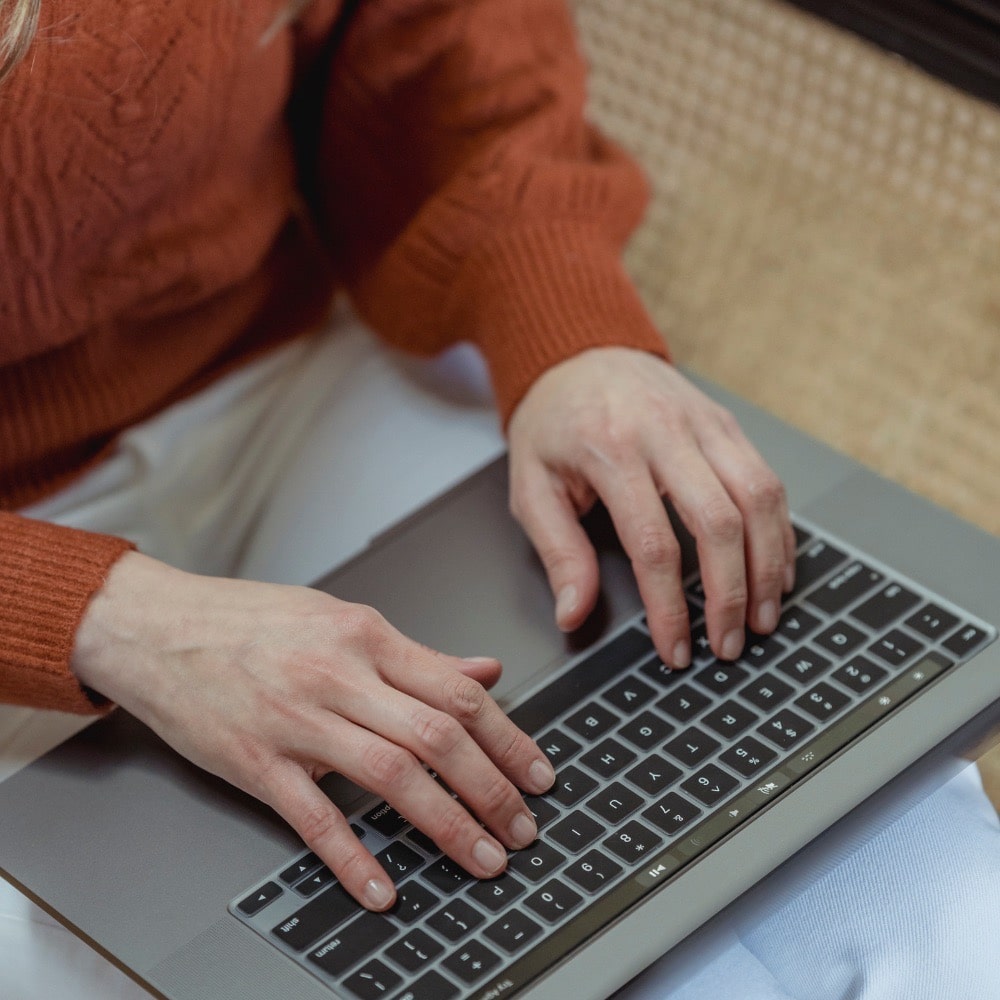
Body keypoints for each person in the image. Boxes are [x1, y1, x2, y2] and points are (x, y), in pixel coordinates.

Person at [2, 3, 997, 1000]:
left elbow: (438, 50)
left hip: (275, 365)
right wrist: (98, 614)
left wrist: (562, 326)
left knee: (923, 882)